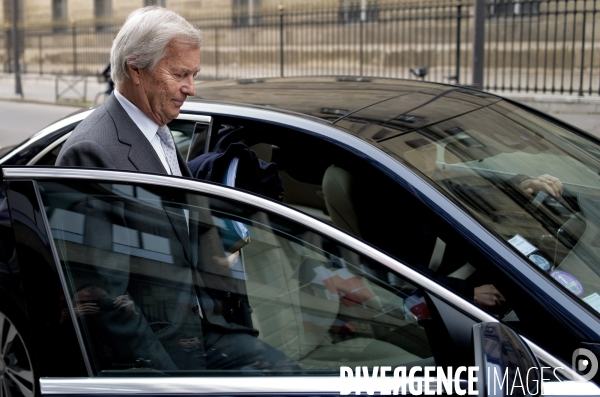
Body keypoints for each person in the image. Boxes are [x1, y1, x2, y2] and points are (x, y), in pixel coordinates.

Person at [55, 6, 293, 373]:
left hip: (207, 329)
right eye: (180, 73)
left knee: (289, 377)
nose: (191, 88)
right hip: (162, 351)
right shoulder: (93, 151)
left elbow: (193, 230)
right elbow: (104, 297)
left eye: (193, 74)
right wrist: (169, 378)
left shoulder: (156, 125)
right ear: (136, 69)